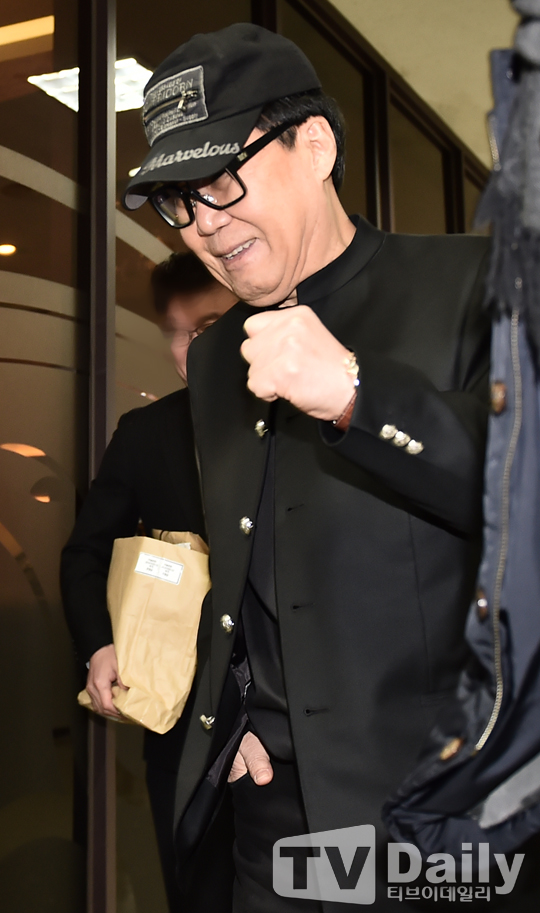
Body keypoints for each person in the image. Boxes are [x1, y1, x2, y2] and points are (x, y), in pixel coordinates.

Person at [122, 23, 497, 913]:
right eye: (178, 201)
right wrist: (233, 708)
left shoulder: (477, 287)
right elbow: (244, 562)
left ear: (316, 146)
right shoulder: (217, 359)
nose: (204, 222)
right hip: (272, 827)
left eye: (221, 179)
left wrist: (359, 396)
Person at [60, 251, 237, 913]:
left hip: (296, 729)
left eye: (209, 325)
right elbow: (84, 551)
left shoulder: (303, 422)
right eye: (177, 332)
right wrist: (98, 644)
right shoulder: (145, 433)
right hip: (181, 724)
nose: (190, 349)